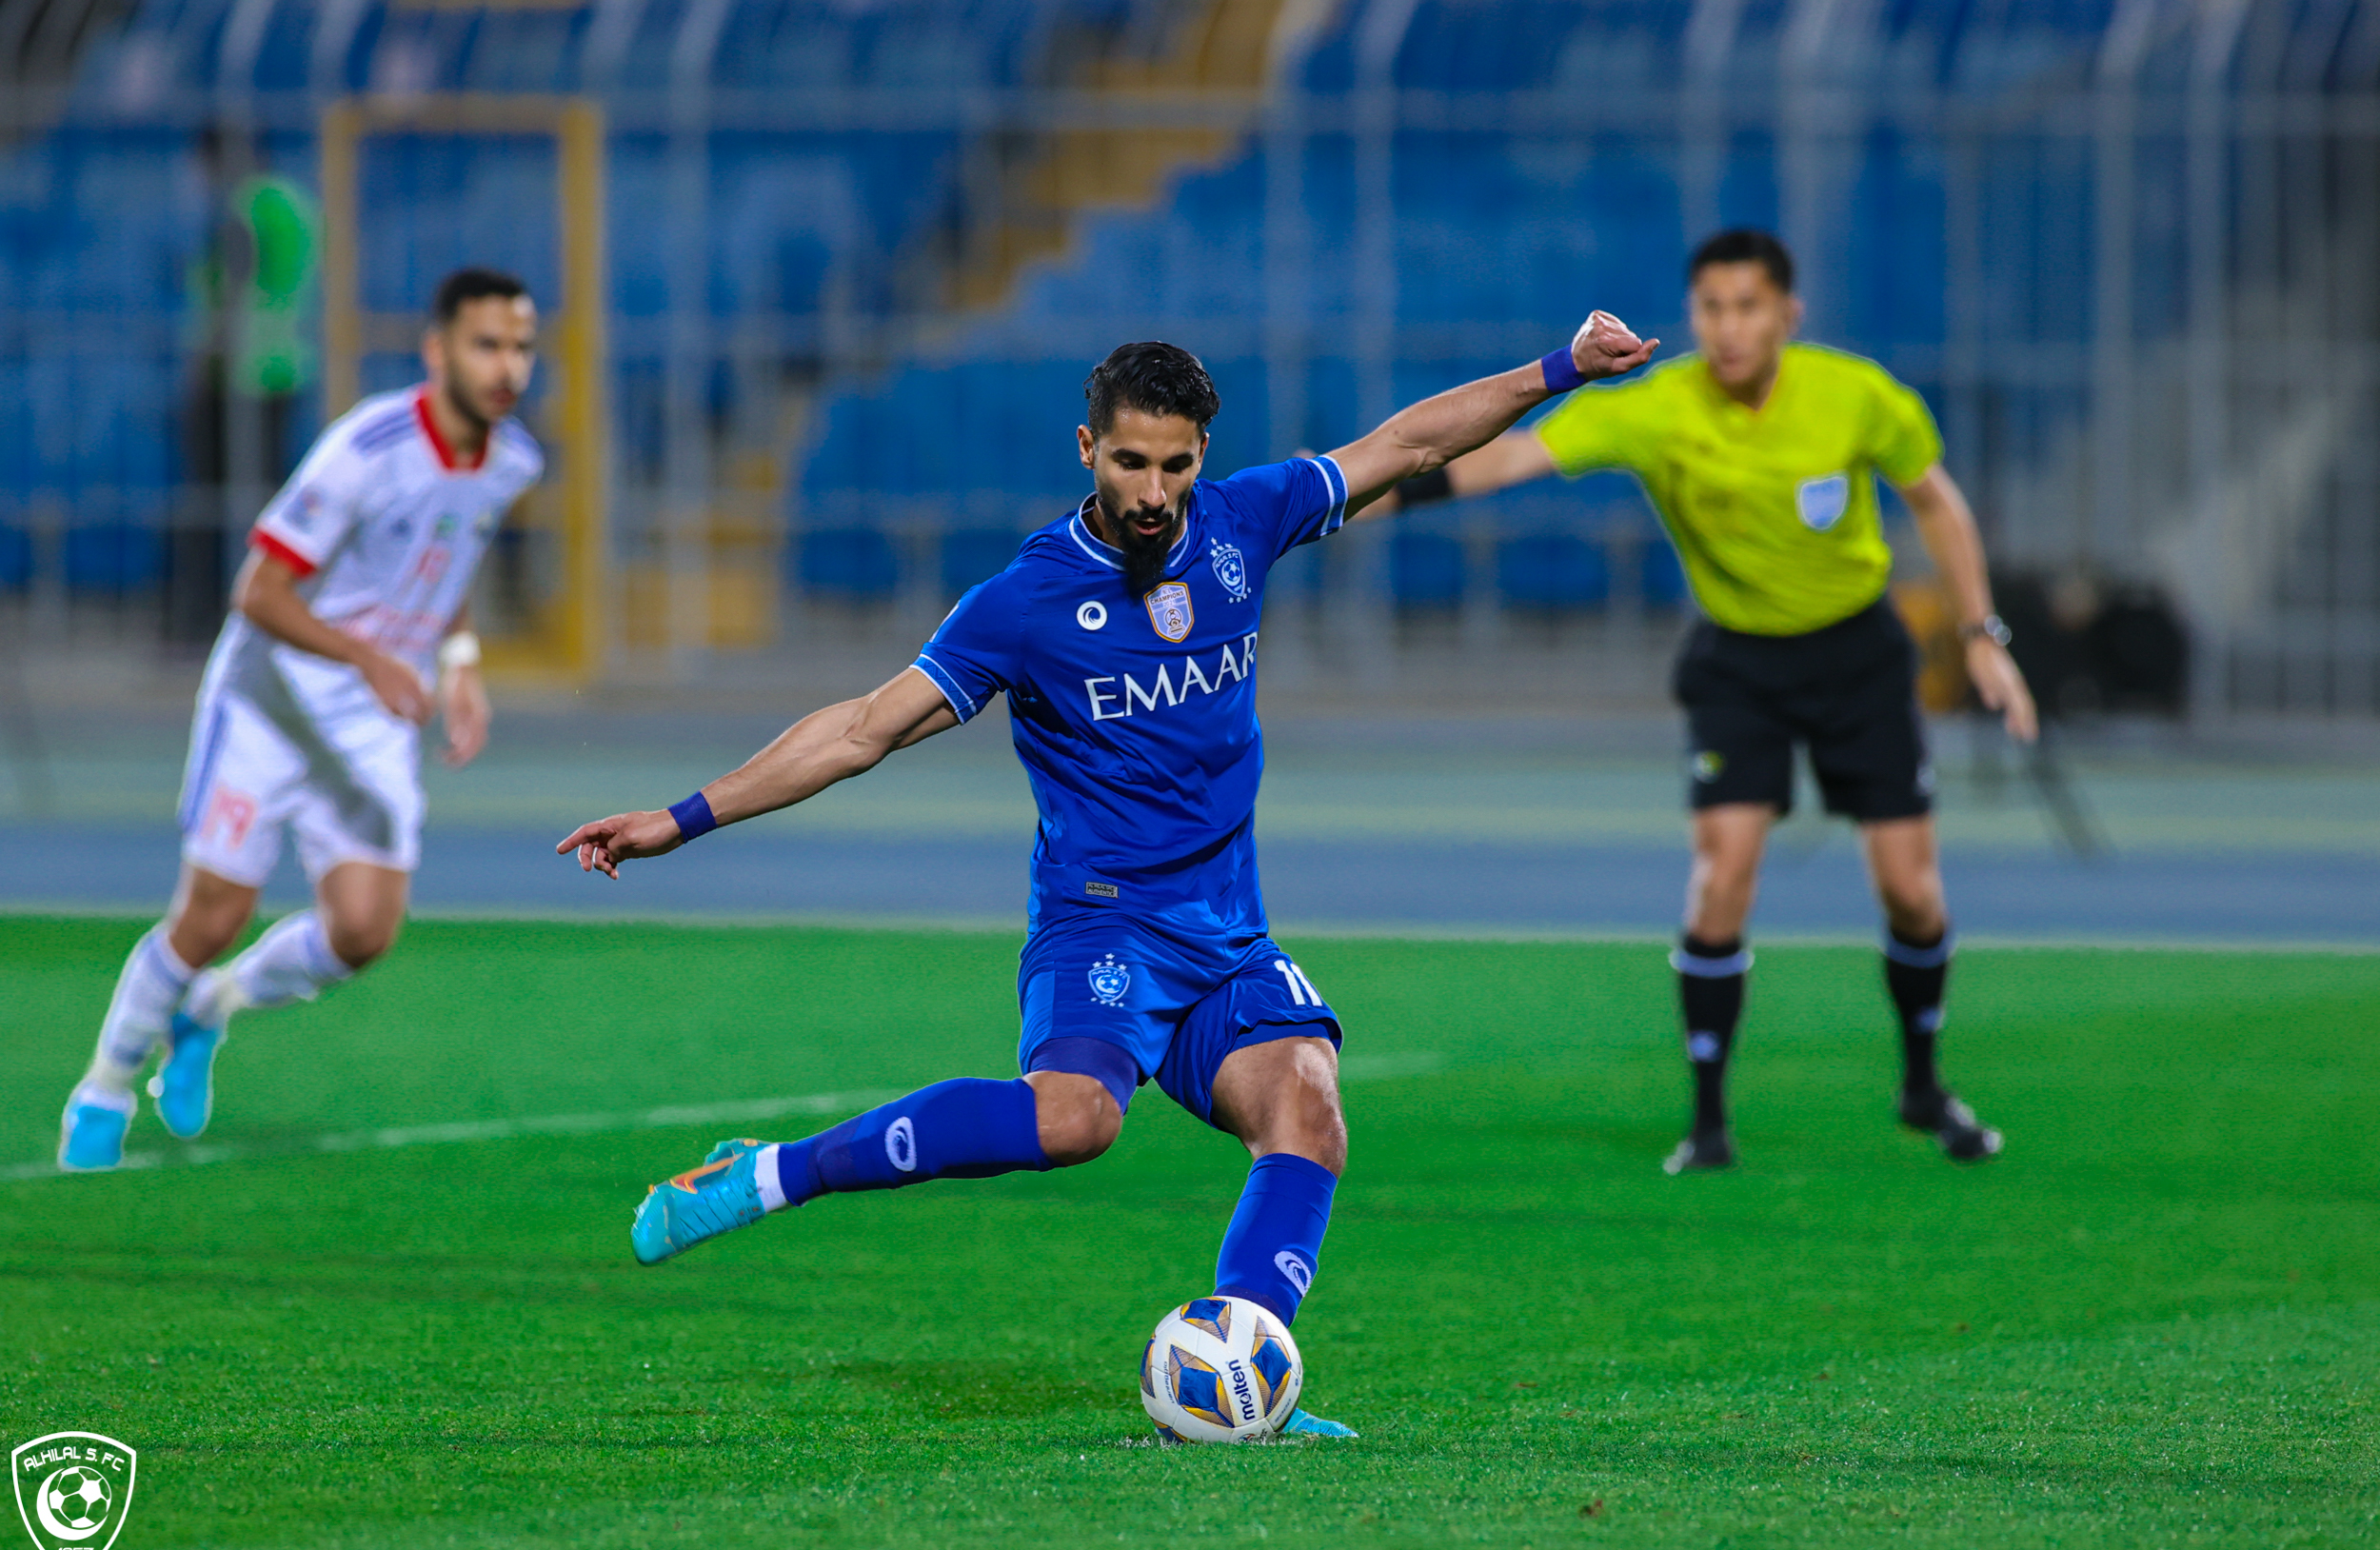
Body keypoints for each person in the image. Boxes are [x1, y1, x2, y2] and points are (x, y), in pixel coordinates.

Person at [557, 318, 1655, 1436]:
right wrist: (681, 817)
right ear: (1087, 446)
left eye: (1176, 463)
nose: (1153, 489)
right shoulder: (1025, 604)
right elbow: (859, 728)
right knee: (1075, 1121)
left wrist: (1557, 370)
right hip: (1103, 926)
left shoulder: (1243, 522)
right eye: (1130, 461)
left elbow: (1409, 445)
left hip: (1226, 929)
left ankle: (1246, 1374)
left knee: (1308, 1108)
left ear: (1201, 456)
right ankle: (774, 1172)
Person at [1369, 229, 2035, 1173]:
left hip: (1858, 657)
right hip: (1739, 664)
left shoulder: (1854, 394)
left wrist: (1980, 637)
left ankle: (1922, 1082)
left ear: (1786, 314)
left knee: (1912, 892)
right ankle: (1708, 1118)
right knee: (1720, 880)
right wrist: (1361, 489)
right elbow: (1503, 463)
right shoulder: (1656, 408)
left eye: (1747, 305)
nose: (1727, 327)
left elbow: (1935, 501)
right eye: (1711, 307)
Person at [57, 268, 543, 1172]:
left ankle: (212, 1009)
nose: (507, 366)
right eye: (487, 344)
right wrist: (370, 656)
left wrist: (461, 661)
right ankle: (105, 1087)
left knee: (363, 929)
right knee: (212, 914)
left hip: (371, 714)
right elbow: (258, 591)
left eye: (521, 347)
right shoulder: (365, 449)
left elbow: (452, 554)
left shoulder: (513, 461)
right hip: (270, 699)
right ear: (437, 351)